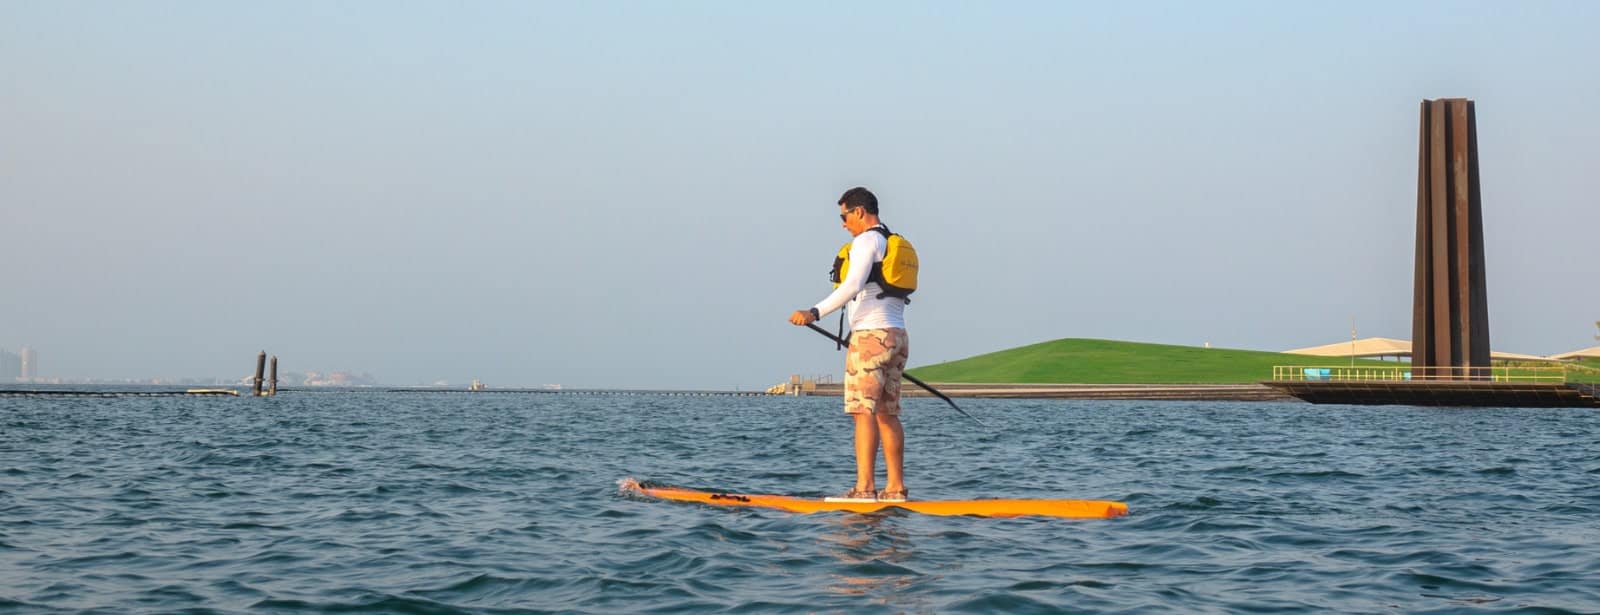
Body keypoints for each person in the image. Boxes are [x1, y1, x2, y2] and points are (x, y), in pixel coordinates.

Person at [788, 187, 911, 502]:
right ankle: (895, 488)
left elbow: (853, 285)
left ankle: (864, 488)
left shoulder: (866, 240)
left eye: (844, 216)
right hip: (897, 335)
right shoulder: (889, 240)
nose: (843, 224)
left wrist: (815, 312)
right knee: (887, 414)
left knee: (863, 412)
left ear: (859, 211)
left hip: (871, 337)